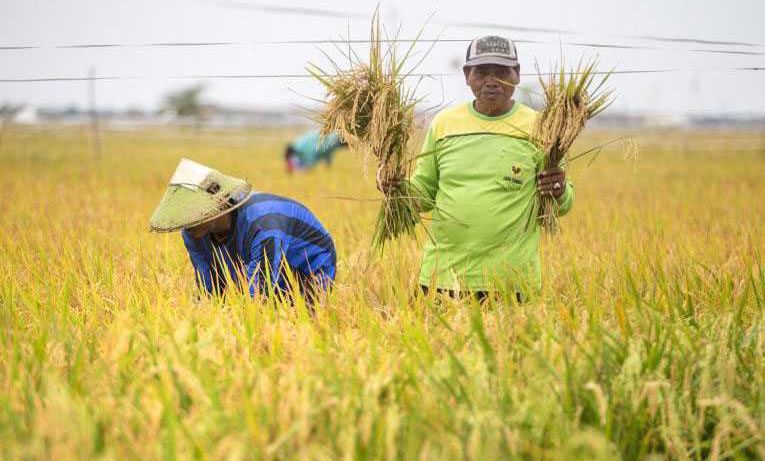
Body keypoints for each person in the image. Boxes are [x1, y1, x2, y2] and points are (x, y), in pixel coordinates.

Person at [382, 35, 575, 302]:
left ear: (517, 74)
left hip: (511, 281)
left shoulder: (542, 128)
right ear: (467, 75)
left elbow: (563, 204)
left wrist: (559, 189)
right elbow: (423, 195)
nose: (492, 81)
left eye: (502, 72)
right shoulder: (444, 124)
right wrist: (396, 187)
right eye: (482, 72)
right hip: (442, 276)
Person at [150, 158, 336, 304]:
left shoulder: (262, 224)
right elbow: (208, 286)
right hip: (258, 261)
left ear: (220, 203)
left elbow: (260, 294)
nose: (188, 224)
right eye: (185, 217)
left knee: (287, 314)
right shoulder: (192, 232)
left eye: (195, 213)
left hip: (307, 268)